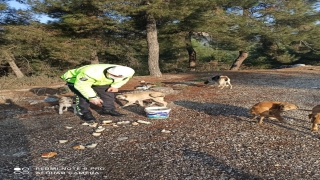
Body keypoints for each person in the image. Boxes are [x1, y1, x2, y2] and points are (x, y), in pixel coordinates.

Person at [61, 64, 135, 121]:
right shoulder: (90, 73)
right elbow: (81, 86)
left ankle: (108, 109)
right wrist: (92, 97)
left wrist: (115, 86)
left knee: (108, 93)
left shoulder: (127, 72)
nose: (110, 74)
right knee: (82, 96)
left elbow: (124, 79)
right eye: (110, 74)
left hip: (99, 81)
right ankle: (84, 112)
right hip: (76, 81)